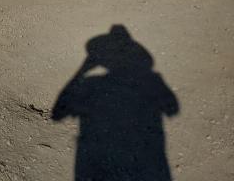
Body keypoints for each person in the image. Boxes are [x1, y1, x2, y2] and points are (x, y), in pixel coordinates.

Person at [52, 25, 179, 180]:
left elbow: (57, 113)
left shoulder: (91, 83)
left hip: (97, 165)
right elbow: (172, 108)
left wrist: (83, 69)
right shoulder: (152, 80)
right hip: (146, 162)